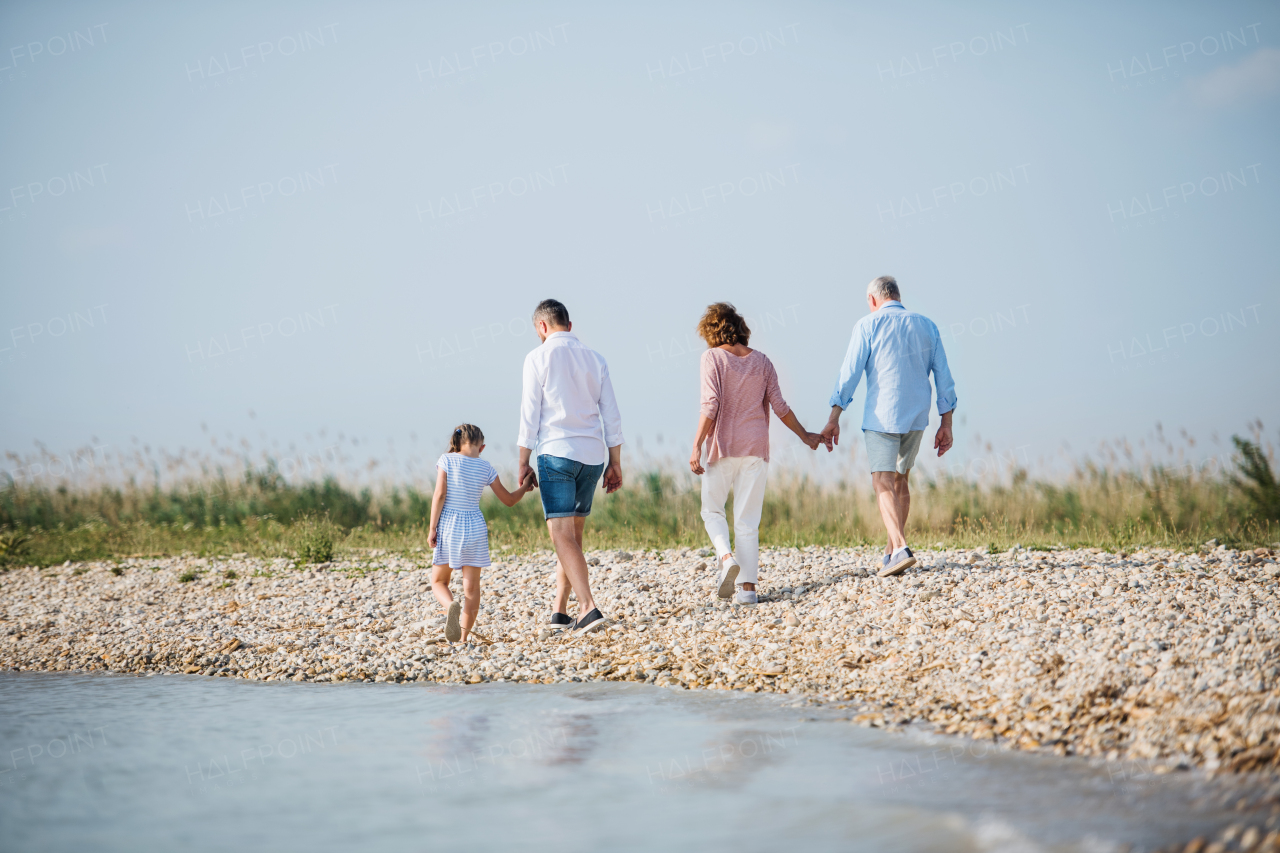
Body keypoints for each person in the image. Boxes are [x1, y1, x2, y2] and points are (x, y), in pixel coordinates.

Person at [821, 276, 957, 577]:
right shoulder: (927, 325)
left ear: (873, 300)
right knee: (901, 482)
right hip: (916, 416)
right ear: (897, 295)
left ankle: (900, 547)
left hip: (882, 416)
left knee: (881, 480)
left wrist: (834, 418)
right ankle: (889, 553)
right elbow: (943, 376)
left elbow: (849, 374)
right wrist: (946, 422)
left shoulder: (867, 325)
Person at [689, 303, 823, 605]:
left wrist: (697, 443)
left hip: (722, 448)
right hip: (756, 450)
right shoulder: (762, 362)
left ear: (711, 331)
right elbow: (780, 407)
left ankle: (726, 558)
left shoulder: (711, 358)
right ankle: (748, 590)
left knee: (712, 510)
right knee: (748, 521)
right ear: (740, 328)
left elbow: (710, 405)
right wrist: (805, 436)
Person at [517, 299, 623, 636]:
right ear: (570, 325)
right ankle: (560, 613)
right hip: (592, 457)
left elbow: (529, 413)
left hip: (556, 454)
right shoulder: (596, 358)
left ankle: (588, 607)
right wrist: (615, 461)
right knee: (573, 537)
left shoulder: (538, 357)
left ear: (542, 328)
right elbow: (612, 414)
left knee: (560, 534)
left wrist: (522, 460)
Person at [428, 424, 534, 643]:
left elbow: (439, 495)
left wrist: (432, 528)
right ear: (482, 447)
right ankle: (463, 638)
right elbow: (509, 500)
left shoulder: (446, 460)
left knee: (438, 581)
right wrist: (525, 486)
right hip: (475, 526)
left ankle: (450, 607)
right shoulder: (486, 467)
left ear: (457, 442)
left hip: (450, 525)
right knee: (472, 589)